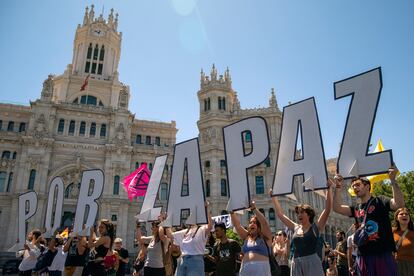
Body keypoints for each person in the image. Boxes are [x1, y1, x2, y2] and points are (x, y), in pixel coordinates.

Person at [332, 167, 404, 276]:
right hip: (363, 257)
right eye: (353, 186)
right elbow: (337, 208)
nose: (355, 187)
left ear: (367, 186)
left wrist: (393, 180)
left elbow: (399, 204)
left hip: (382, 255)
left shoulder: (380, 201)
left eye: (358, 184)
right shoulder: (356, 208)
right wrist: (337, 186)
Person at [270, 179, 333, 276]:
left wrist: (329, 189)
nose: (299, 215)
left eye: (301, 212)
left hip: (312, 262)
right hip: (296, 262)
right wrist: (274, 198)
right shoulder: (295, 227)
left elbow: (327, 209)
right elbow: (280, 215)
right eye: (298, 213)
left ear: (308, 215)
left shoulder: (315, 228)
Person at [168, 202, 213, 276]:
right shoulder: (186, 231)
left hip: (196, 261)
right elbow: (171, 235)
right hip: (183, 259)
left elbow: (210, 226)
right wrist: (166, 220)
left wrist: (206, 209)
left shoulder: (202, 229)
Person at [230, 201, 273, 276]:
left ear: (259, 226)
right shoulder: (247, 237)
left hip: (261, 269)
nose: (252, 224)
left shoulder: (266, 237)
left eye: (255, 222)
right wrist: (232, 213)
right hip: (245, 269)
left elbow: (264, 223)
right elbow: (237, 226)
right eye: (250, 222)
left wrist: (254, 208)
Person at [393, 207, 414, 276]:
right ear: (396, 218)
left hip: (410, 266)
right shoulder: (392, 232)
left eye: (406, 214)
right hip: (395, 265)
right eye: (401, 214)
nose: (404, 215)